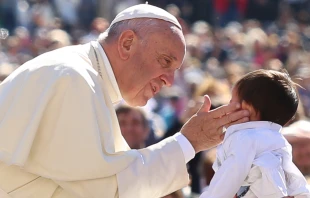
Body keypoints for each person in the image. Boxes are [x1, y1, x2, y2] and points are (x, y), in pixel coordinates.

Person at [0, 3, 249, 198]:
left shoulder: (85, 78)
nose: (170, 81)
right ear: (127, 43)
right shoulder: (72, 78)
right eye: (165, 62)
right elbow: (110, 190)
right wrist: (189, 142)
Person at [200, 69, 310, 198]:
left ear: (247, 108)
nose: (227, 108)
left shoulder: (244, 138)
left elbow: (228, 180)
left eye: (231, 102)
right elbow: (296, 183)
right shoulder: (279, 141)